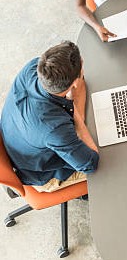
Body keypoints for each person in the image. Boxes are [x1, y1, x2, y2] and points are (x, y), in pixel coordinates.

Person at [1, 41, 99, 193]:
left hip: (17, 141)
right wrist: (77, 116)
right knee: (113, 165)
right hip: (41, 175)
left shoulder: (33, 67)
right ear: (74, 82)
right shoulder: (55, 128)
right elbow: (90, 163)